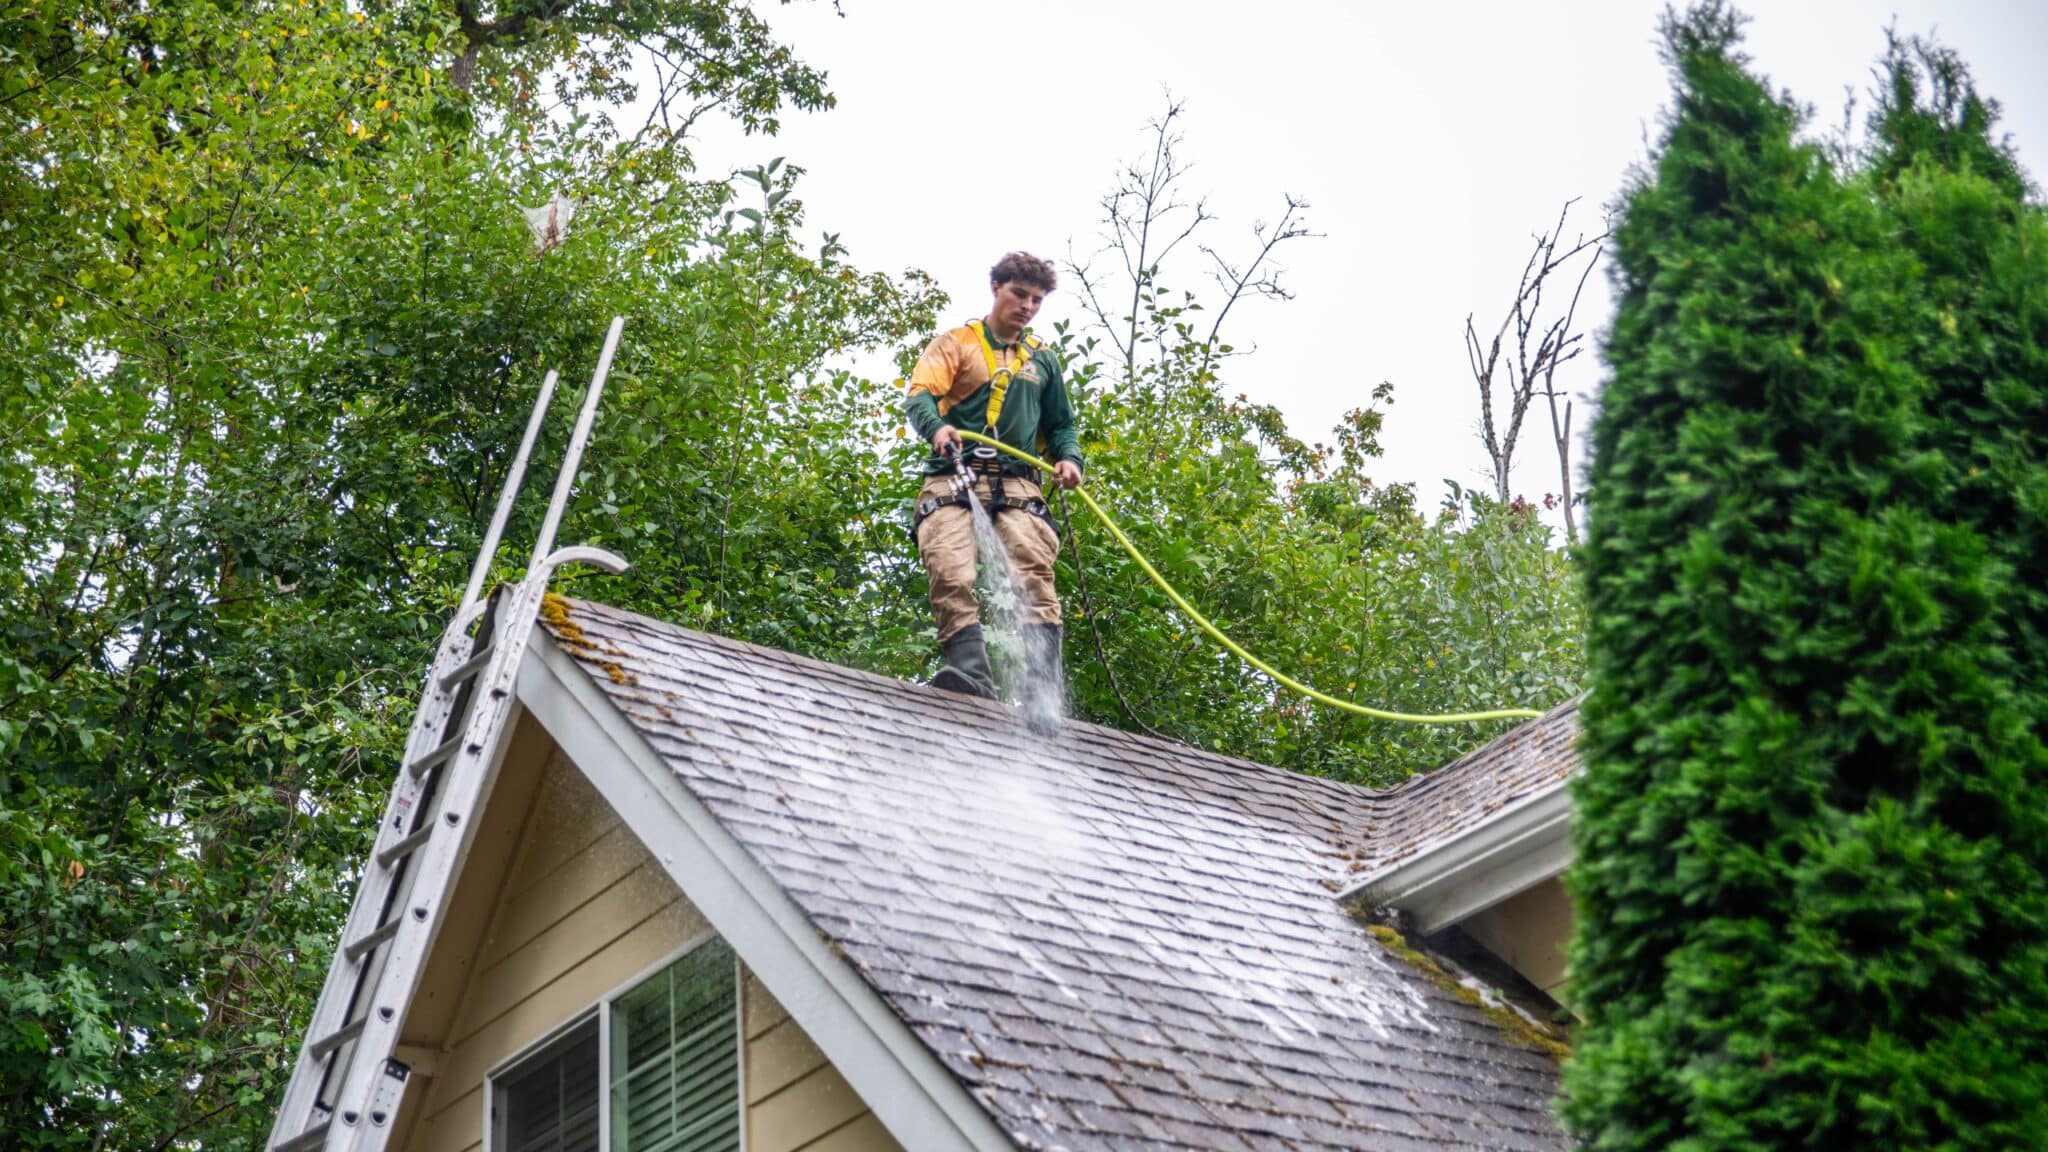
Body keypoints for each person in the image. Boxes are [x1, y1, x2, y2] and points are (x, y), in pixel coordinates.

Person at [904, 252, 1084, 703]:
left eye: (1036, 300)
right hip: (953, 474)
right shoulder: (956, 343)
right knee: (948, 567)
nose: (1027, 306)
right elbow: (921, 395)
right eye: (1019, 294)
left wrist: (1069, 460)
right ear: (996, 288)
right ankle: (971, 673)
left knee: (1032, 569)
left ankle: (1043, 687)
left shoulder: (1043, 362)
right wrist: (937, 427)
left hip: (1019, 481)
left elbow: (1061, 424)